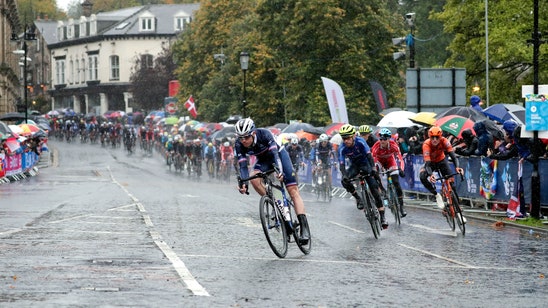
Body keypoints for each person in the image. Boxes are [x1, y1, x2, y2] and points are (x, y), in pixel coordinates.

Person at [235, 118, 310, 244]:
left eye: (246, 137)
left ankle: (304, 228)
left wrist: (280, 171)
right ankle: (274, 202)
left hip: (279, 157)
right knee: (254, 179)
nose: (243, 140)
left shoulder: (264, 134)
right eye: (240, 137)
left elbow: (275, 155)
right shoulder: (239, 144)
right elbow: (243, 167)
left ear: (253, 133)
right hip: (263, 160)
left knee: (292, 191)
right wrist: (244, 184)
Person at [338, 124, 388, 229]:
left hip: (366, 164)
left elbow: (370, 156)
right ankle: (358, 198)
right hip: (354, 166)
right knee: (344, 181)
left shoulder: (360, 141)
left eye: (348, 138)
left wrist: (373, 169)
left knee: (374, 189)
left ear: (353, 136)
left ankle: (383, 216)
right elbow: (342, 164)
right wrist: (345, 176)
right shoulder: (342, 147)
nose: (346, 141)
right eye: (344, 138)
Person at [419, 126, 465, 220]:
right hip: (431, 163)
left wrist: (457, 167)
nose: (435, 139)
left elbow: (453, 156)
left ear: (440, 137)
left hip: (441, 161)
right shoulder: (426, 145)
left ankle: (458, 207)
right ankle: (436, 194)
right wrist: (431, 174)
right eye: (433, 137)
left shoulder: (445, 141)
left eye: (437, 137)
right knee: (422, 176)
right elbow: (427, 164)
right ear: (429, 137)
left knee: (451, 183)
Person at [371, 128, 407, 217]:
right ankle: (382, 190)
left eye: (385, 139)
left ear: (389, 139)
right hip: (379, 161)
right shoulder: (376, 147)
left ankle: (401, 207)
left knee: (396, 183)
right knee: (375, 172)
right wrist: (376, 170)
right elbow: (373, 161)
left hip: (390, 161)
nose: (382, 141)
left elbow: (400, 159)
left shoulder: (393, 145)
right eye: (381, 139)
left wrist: (401, 169)